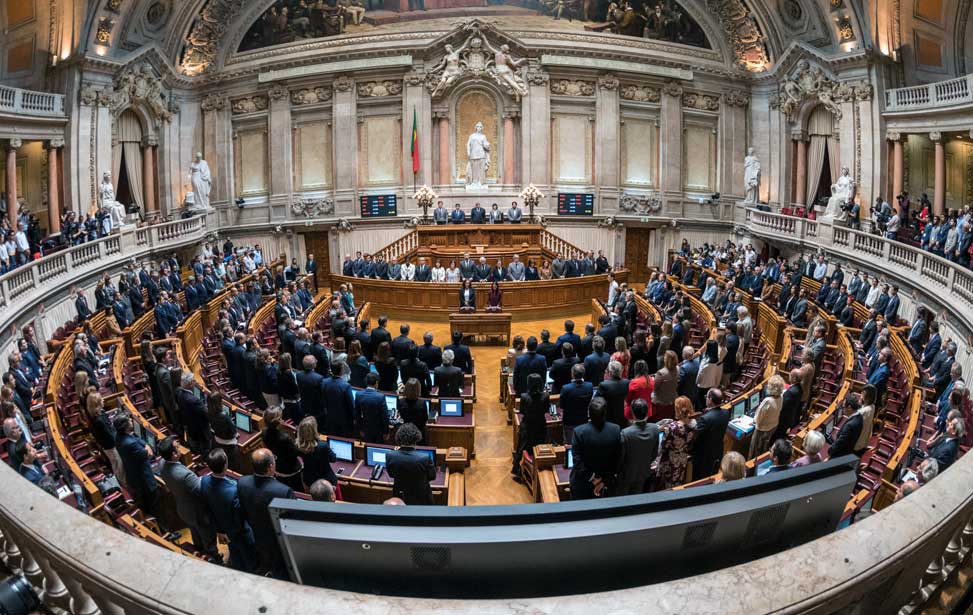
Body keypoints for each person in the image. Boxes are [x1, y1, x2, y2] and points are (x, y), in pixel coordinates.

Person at [237, 448, 295, 578]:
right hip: (280, 540)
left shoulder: (242, 482)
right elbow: (292, 519)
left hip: (257, 535)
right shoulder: (283, 491)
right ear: (270, 467)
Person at [200, 448, 257, 571]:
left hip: (223, 529)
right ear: (226, 465)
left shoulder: (204, 481)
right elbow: (240, 518)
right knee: (250, 557)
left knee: (235, 554)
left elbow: (207, 508)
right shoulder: (234, 491)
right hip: (240, 532)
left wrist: (219, 531)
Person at [159, 436, 217, 556]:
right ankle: (214, 558)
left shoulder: (162, 463)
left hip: (183, 509)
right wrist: (207, 479)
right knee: (208, 537)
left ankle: (200, 552)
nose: (180, 448)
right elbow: (201, 489)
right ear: (174, 454)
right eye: (177, 447)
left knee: (195, 533)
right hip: (197, 512)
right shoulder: (183, 476)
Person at [570, 398, 621, 499]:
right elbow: (617, 459)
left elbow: (577, 461)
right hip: (606, 482)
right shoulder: (615, 429)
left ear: (589, 413)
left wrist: (593, 479)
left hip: (582, 483)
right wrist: (603, 481)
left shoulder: (579, 432)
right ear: (605, 413)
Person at [115, 413, 160, 516]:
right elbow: (149, 454)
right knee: (154, 505)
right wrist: (147, 446)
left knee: (146, 503)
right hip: (144, 480)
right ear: (125, 426)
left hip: (133, 476)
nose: (132, 421)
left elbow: (137, 438)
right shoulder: (130, 444)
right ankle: (162, 529)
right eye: (130, 421)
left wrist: (145, 445)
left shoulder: (119, 436)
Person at [615, 398, 659, 495]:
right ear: (647, 412)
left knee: (622, 502)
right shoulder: (654, 428)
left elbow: (621, 458)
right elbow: (654, 454)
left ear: (632, 413)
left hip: (626, 475)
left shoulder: (625, 433)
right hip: (643, 472)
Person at [512, 373, 551, 480]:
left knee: (522, 447)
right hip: (540, 426)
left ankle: (518, 470)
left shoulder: (524, 397)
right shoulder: (546, 396)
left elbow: (522, 411)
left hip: (528, 426)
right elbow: (546, 410)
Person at [386, 423, 436, 505]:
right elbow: (432, 476)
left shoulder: (390, 455)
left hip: (400, 496)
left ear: (398, 437)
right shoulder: (425, 458)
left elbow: (391, 474)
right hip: (421, 497)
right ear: (416, 438)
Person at [260, 406, 305, 492]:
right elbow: (296, 453)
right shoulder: (285, 438)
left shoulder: (264, 432)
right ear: (279, 421)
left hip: (278, 467)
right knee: (298, 490)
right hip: (291, 470)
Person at [86, 392, 125, 486]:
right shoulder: (98, 421)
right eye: (101, 399)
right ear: (97, 403)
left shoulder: (100, 413)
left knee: (117, 464)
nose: (103, 400)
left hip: (109, 445)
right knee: (119, 465)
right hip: (110, 447)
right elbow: (111, 436)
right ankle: (124, 485)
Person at [692, 388, 729, 477]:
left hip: (703, 456)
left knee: (699, 479)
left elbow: (695, 437)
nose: (705, 398)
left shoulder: (705, 419)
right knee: (712, 475)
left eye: (706, 397)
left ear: (710, 400)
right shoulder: (726, 412)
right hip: (718, 451)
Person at [296, 416, 337, 491]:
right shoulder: (322, 445)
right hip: (326, 482)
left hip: (309, 480)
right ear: (314, 430)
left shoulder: (298, 446)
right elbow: (333, 459)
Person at [749, 374, 785, 458]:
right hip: (773, 427)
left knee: (755, 451)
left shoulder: (767, 401)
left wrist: (753, 418)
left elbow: (757, 419)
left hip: (762, 430)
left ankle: (751, 468)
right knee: (764, 448)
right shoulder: (781, 397)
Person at [559, 363, 593, 443]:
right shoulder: (589, 386)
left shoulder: (566, 388)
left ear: (572, 374)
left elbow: (562, 406)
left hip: (569, 421)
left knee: (570, 444)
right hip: (583, 419)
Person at [596, 360, 630, 428]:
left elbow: (597, 401)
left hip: (609, 418)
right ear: (621, 371)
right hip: (623, 417)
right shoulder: (626, 382)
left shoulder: (604, 385)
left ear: (610, 372)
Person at [397, 378, 428, 443]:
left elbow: (399, 417)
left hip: (404, 434)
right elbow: (425, 419)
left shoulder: (400, 402)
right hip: (418, 433)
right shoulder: (422, 403)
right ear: (418, 389)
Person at [651, 350, 678, 420]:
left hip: (661, 402)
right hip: (672, 400)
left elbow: (654, 387)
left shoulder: (661, 373)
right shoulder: (677, 369)